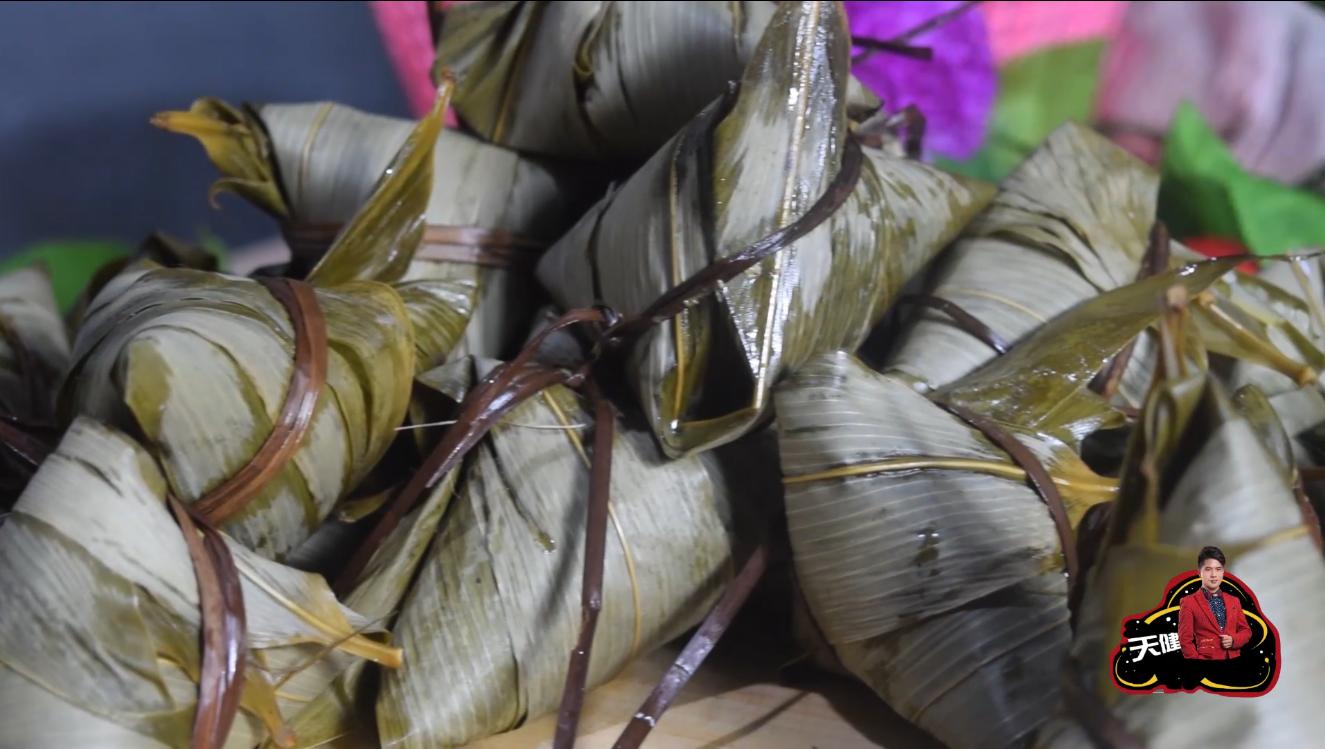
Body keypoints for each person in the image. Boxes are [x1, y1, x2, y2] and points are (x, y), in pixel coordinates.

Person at [1178, 546, 1252, 660]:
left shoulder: (1234, 601)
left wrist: (1233, 640)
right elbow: (1184, 640)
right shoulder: (1188, 603)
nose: (1213, 574)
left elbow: (1246, 631)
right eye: (1208, 569)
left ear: (1223, 572)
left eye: (1218, 569)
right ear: (1199, 572)